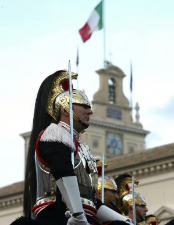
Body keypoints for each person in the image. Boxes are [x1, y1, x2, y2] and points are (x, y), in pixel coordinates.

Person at [10, 70, 133, 225]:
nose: (90, 110)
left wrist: (124, 219)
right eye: (83, 106)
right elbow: (63, 172)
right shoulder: (55, 133)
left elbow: (91, 201)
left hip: (86, 215)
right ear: (65, 109)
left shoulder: (80, 145)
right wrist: (78, 215)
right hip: (59, 215)